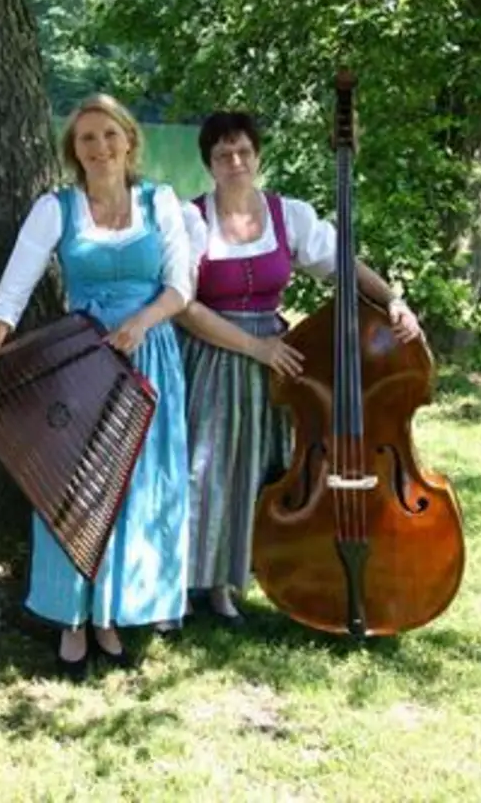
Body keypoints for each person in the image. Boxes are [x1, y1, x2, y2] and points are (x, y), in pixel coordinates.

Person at [0, 93, 192, 681]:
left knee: (137, 491)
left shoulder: (160, 201)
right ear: (74, 152)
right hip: (84, 361)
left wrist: (141, 322)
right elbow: (10, 296)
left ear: (130, 141)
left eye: (109, 135)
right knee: (76, 487)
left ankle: (115, 613)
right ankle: (72, 619)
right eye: (86, 138)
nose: (100, 147)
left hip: (148, 356)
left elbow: (180, 286)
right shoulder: (55, 209)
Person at [173, 109, 422, 626]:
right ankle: (189, 583)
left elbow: (343, 264)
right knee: (208, 468)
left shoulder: (290, 216)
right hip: (213, 354)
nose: (235, 161)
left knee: (266, 468)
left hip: (278, 362)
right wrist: (254, 347)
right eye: (223, 155)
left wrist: (394, 300)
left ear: (258, 157)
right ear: (209, 164)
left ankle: (232, 582)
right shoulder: (192, 219)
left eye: (243, 151)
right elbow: (185, 305)